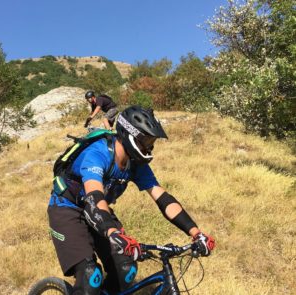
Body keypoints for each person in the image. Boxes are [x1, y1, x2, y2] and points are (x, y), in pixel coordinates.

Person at [48, 106, 215, 294]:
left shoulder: (135, 164)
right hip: (67, 209)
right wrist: (113, 232)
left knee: (127, 269)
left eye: (152, 141)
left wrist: (196, 233)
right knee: (90, 275)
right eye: (145, 140)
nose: (149, 147)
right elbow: (94, 196)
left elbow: (163, 198)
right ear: (128, 134)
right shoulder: (98, 154)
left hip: (99, 211)